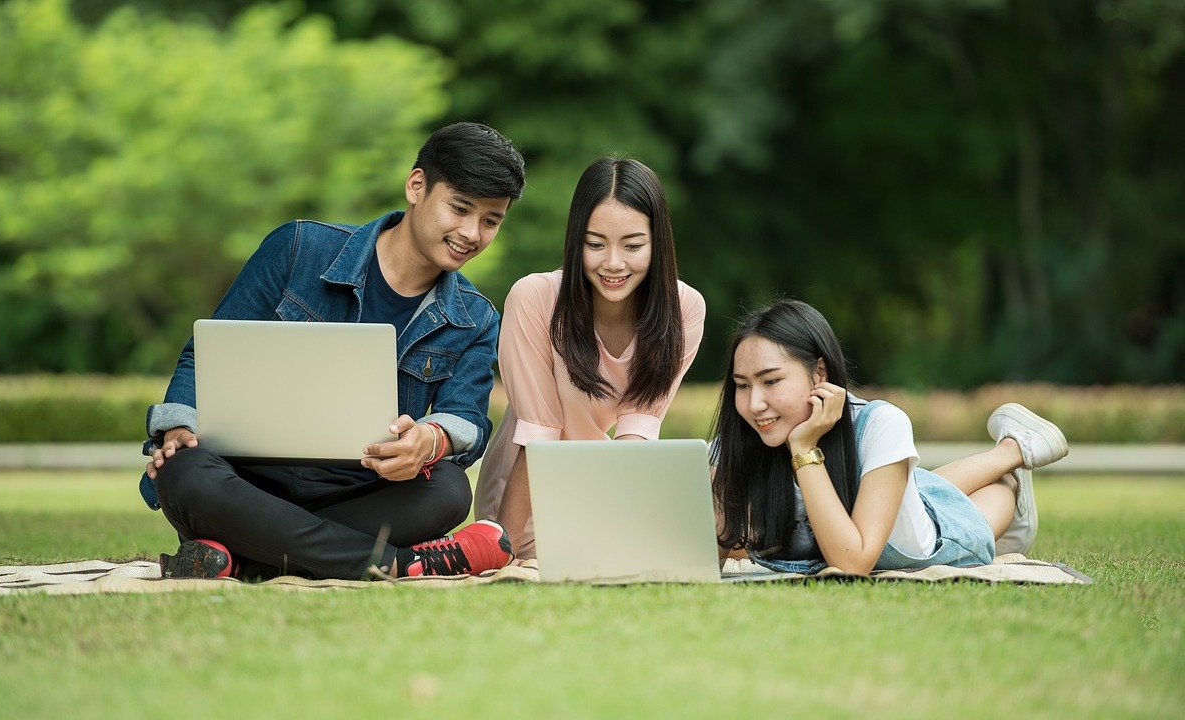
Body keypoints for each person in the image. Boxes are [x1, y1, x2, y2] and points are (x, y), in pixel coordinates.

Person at [139, 122, 526, 581]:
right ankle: (398, 564)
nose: (471, 232)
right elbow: (204, 354)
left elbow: (465, 418)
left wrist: (430, 440)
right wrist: (180, 426)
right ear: (416, 186)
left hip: (360, 489)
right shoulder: (298, 247)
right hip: (244, 479)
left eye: (490, 220)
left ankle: (243, 556)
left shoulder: (476, 317)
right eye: (459, 209)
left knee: (446, 490)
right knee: (183, 472)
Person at [711, 299, 1070, 575]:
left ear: (819, 373)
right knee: (916, 485)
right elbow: (706, 556)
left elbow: (852, 564)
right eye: (742, 385)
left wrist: (804, 448)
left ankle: (1011, 460)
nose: (755, 403)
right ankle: (1011, 448)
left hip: (929, 537)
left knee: (990, 496)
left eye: (771, 381)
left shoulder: (881, 424)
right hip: (897, 494)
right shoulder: (742, 438)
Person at [474, 156, 707, 559]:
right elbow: (537, 436)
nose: (613, 263)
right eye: (595, 244)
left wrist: (622, 527)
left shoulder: (684, 309)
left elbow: (637, 434)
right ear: (575, 240)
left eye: (633, 245)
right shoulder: (535, 298)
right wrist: (503, 554)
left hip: (606, 483)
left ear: (658, 243)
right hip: (523, 495)